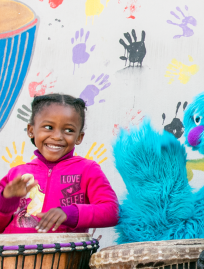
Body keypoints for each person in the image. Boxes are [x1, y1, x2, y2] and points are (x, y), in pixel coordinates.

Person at [0, 94, 119, 234]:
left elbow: (112, 211)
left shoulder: (88, 169)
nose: (57, 136)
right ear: (31, 130)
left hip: (67, 255)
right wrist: (6, 201)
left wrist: (71, 213)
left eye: (69, 130)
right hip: (14, 255)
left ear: (79, 137)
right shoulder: (17, 174)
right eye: (49, 127)